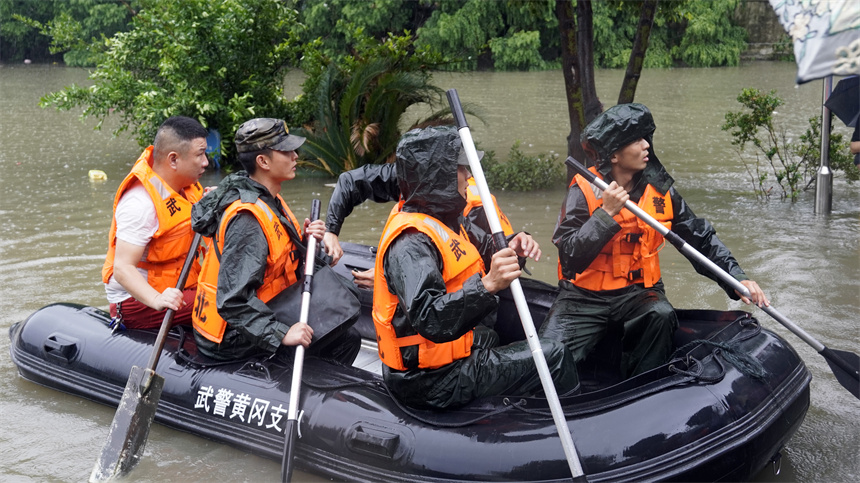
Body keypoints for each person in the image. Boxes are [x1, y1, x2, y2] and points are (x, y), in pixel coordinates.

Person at [540, 103, 769, 380]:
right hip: (583, 298)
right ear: (614, 154)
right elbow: (569, 256)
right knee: (548, 356)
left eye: (646, 137)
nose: (646, 145)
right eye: (637, 140)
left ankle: (642, 388)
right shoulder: (585, 190)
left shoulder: (661, 192)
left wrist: (735, 278)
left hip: (639, 293)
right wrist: (605, 213)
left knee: (659, 313)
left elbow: (700, 239)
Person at [373, 126, 579, 410]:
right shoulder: (411, 244)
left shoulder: (446, 218)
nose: (469, 176)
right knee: (553, 354)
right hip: (428, 380)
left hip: (442, 359)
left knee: (491, 336)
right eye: (461, 169)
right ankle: (569, 422)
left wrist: (514, 247)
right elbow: (430, 318)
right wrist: (488, 285)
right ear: (438, 176)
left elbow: (488, 251)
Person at [190, 118, 360, 364]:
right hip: (231, 335)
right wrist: (281, 333)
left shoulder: (270, 198)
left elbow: (278, 258)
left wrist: (305, 242)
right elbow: (232, 301)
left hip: (264, 306)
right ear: (263, 161)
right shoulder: (247, 220)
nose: (295, 156)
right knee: (346, 339)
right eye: (287, 151)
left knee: (346, 306)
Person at [323, 145, 514, 289]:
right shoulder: (416, 177)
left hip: (476, 283)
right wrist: (331, 230)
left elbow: (463, 272)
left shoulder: (469, 207)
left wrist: (390, 279)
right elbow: (351, 181)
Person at [102, 116, 210, 330]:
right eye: (200, 154)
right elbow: (122, 269)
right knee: (225, 304)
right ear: (173, 160)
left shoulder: (184, 186)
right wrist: (157, 299)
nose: (206, 161)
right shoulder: (140, 204)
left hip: (180, 285)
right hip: (138, 302)